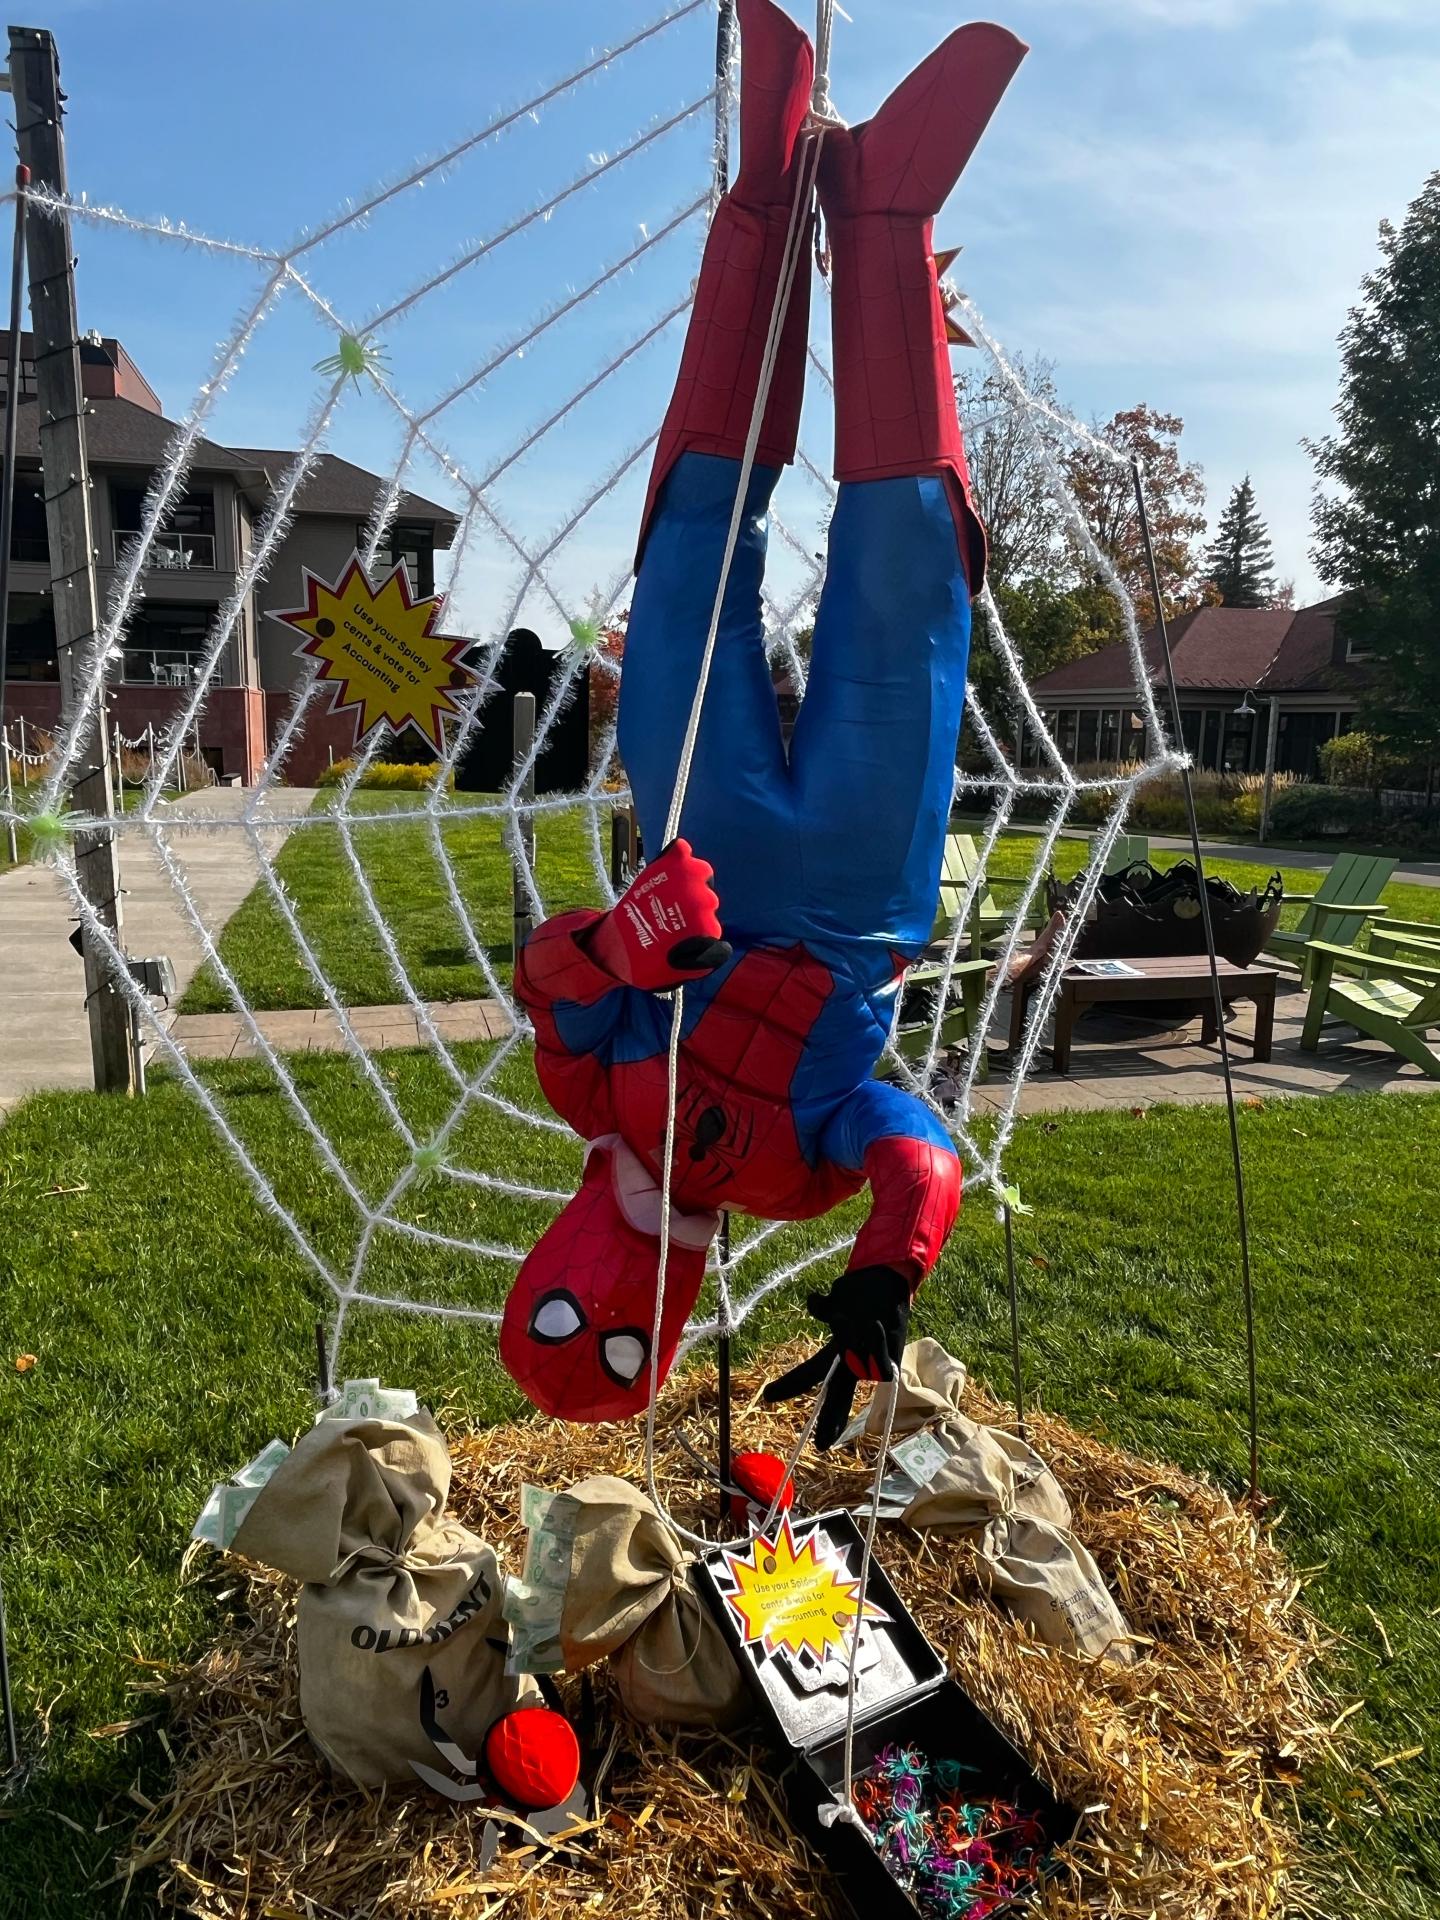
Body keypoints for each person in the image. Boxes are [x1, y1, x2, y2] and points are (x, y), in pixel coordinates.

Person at [501, 0, 1026, 1448]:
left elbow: (549, 974)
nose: (605, 1297)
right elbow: (915, 1153)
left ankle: (770, 189)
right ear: (663, 1336)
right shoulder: (797, 1183)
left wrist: (620, 944)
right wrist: (884, 1273)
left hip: (708, 832)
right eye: (620, 1341)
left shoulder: (593, 1092)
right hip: (860, 885)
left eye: (562, 1314)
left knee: (685, 565)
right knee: (906, 581)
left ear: (538, 1275)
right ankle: (888, 214)